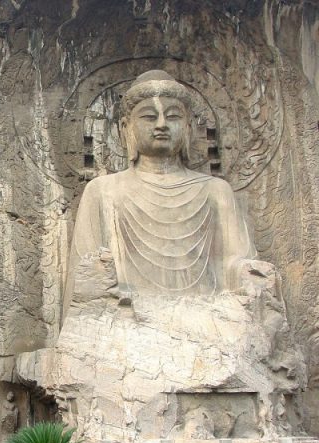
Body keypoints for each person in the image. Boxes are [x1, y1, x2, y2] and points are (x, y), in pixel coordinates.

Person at [64, 69, 269, 311]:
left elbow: (234, 263)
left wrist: (251, 274)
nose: (162, 124)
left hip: (207, 316)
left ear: (189, 127)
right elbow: (85, 278)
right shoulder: (102, 191)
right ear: (125, 128)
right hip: (128, 322)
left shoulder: (215, 191)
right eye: (149, 117)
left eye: (173, 117)